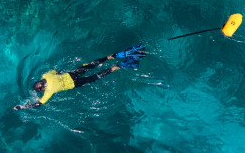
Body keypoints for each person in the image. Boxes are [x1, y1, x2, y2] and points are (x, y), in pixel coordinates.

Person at [14, 46, 146, 110]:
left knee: (95, 77)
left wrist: (23, 107)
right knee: (92, 64)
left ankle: (117, 67)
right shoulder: (45, 75)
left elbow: (39, 103)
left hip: (75, 83)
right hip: (73, 74)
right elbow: (57, 71)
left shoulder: (49, 91)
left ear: (42, 88)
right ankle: (113, 56)